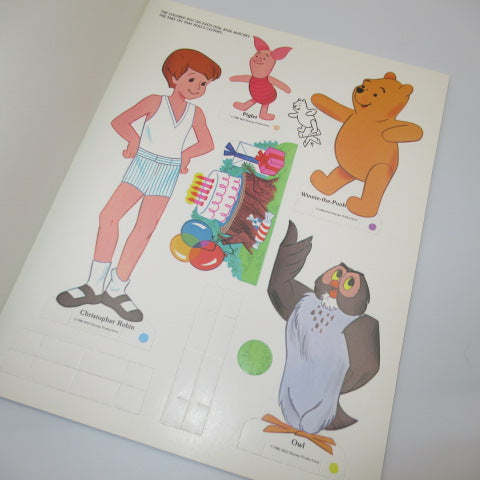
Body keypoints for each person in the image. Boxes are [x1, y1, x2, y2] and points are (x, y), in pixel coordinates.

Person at [57, 49, 221, 322]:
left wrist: (185, 155)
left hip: (167, 170)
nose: (197, 87)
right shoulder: (155, 101)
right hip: (143, 163)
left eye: (203, 83)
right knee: (109, 217)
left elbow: (207, 143)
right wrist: (134, 140)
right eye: (192, 79)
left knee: (144, 229)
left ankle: (117, 289)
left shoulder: (196, 113)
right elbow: (120, 121)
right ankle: (94, 285)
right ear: (174, 77)